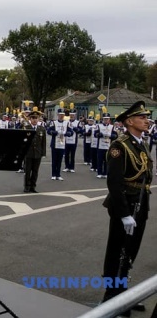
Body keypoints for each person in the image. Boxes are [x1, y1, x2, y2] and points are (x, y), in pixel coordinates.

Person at [101, 101, 152, 316]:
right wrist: (123, 215)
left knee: (130, 252)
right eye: (142, 117)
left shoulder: (141, 143)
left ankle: (123, 295)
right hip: (125, 206)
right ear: (129, 121)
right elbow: (114, 183)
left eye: (146, 117)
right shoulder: (119, 146)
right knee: (117, 252)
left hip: (141, 203)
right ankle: (111, 298)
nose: (146, 120)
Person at [22, 110, 46, 193]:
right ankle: (27, 186)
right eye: (33, 118)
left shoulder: (41, 129)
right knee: (28, 170)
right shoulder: (26, 128)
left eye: (36, 118)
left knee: (35, 171)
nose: (35, 120)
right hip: (28, 153)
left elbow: (43, 142)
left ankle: (33, 186)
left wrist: (43, 153)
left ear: (39, 119)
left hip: (37, 153)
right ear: (30, 118)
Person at [47, 108, 69, 181]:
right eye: (60, 115)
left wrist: (69, 133)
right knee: (54, 160)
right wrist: (54, 132)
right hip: (55, 144)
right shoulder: (54, 123)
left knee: (60, 160)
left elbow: (70, 131)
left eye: (62, 115)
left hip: (62, 144)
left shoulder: (66, 123)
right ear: (58, 115)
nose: (61, 116)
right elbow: (48, 131)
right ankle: (53, 174)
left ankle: (58, 174)